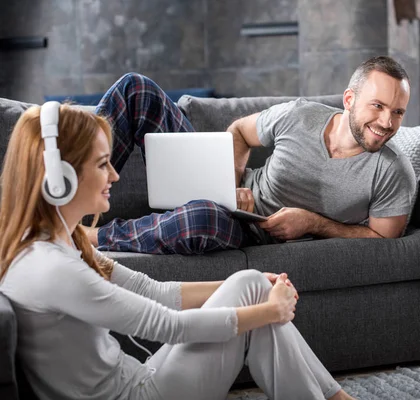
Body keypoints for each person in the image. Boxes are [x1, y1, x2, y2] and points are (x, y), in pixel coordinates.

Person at [0, 103, 356, 400]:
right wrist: (268, 310)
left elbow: (153, 291)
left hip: (139, 382)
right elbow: (168, 326)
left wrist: (256, 294)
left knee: (250, 281)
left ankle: (336, 398)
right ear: (59, 180)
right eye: (101, 163)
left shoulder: (58, 243)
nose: (115, 175)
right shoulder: (51, 268)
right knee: (257, 301)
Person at [83, 55, 416, 254]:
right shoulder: (299, 115)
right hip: (228, 194)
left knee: (203, 219)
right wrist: (229, 183)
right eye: (378, 106)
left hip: (250, 234)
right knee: (136, 88)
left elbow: (383, 237)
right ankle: (60, 208)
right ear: (348, 100)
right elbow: (241, 130)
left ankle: (92, 237)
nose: (387, 122)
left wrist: (313, 223)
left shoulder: (393, 169)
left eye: (398, 112)